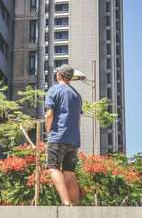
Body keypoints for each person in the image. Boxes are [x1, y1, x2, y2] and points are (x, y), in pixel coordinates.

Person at [45, 64, 82, 206]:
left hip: (58, 137)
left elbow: (49, 114)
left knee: (52, 168)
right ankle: (75, 204)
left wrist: (48, 133)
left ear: (59, 75)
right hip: (73, 139)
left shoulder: (54, 90)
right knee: (70, 172)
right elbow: (78, 120)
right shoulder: (77, 95)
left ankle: (66, 203)